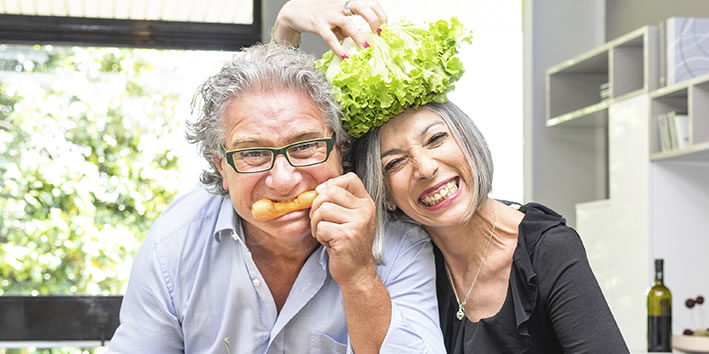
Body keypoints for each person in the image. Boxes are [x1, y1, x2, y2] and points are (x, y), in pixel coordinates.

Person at [274, 0, 630, 352]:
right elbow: (295, 160)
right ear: (383, 195)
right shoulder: (404, 260)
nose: (426, 168)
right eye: (395, 163)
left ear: (467, 139)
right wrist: (285, 28)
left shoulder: (548, 249)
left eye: (436, 139)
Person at [108, 41, 446, 353]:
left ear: (339, 151)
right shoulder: (172, 245)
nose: (284, 181)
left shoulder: (400, 243)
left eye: (304, 147)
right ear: (221, 168)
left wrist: (359, 274)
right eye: (253, 153)